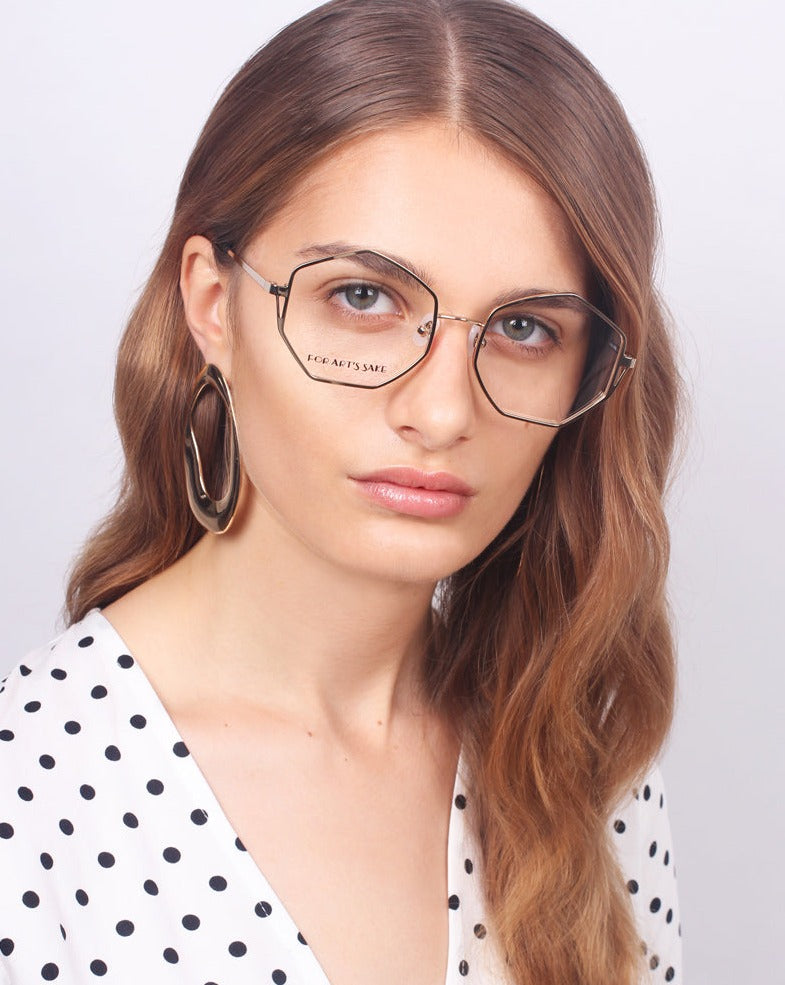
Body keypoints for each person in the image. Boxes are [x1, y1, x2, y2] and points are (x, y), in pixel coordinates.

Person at [0, 1, 683, 982]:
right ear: (211, 304)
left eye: (525, 326)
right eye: (362, 297)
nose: (441, 411)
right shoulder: (28, 797)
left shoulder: (578, 764)